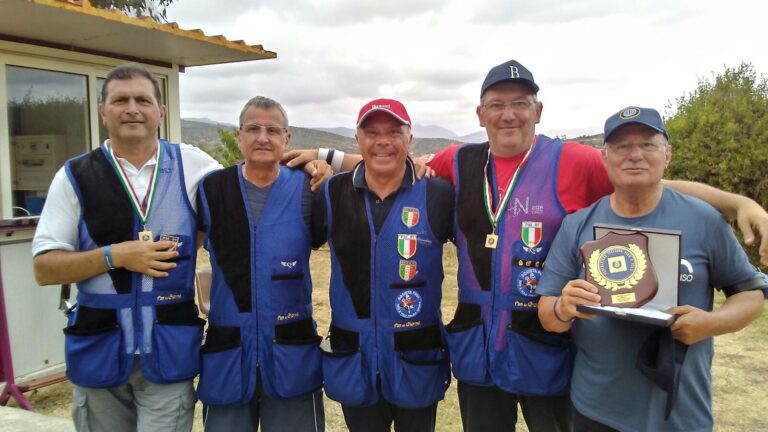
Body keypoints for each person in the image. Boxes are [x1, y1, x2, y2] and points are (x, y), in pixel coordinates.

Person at [282, 60, 768, 431]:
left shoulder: (575, 161)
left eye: (520, 103)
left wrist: (737, 202)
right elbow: (389, 158)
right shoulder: (459, 160)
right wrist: (326, 156)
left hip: (547, 348)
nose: (508, 113)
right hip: (476, 352)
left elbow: (650, 178)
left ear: (538, 110)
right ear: (481, 113)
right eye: (497, 103)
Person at [536, 106, 766, 432]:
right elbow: (548, 315)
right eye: (621, 147)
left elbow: (751, 294)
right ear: (605, 158)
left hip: (681, 413)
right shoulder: (577, 225)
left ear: (667, 154)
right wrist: (563, 307)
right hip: (596, 410)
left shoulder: (704, 221)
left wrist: (711, 322)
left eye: (647, 144)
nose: (634, 155)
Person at [32, 63, 222, 432]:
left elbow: (243, 196)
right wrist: (114, 256)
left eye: (142, 100)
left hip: (168, 351)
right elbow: (44, 267)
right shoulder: (75, 175)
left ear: (160, 112)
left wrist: (321, 165)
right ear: (103, 111)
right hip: (100, 351)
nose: (132, 108)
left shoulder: (192, 164)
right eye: (120, 100)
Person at [318, 99, 454, 432]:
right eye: (372, 132)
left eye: (394, 132)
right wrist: (313, 160)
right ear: (357, 138)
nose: (383, 141)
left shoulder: (438, 193)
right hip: (355, 358)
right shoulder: (331, 191)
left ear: (411, 139)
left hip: (416, 360)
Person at [196, 96, 326, 431]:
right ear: (238, 136)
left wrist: (324, 162)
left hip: (291, 353)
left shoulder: (308, 188)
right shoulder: (213, 189)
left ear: (288, 138)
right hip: (228, 354)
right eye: (253, 128)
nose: (263, 137)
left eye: (272, 129)